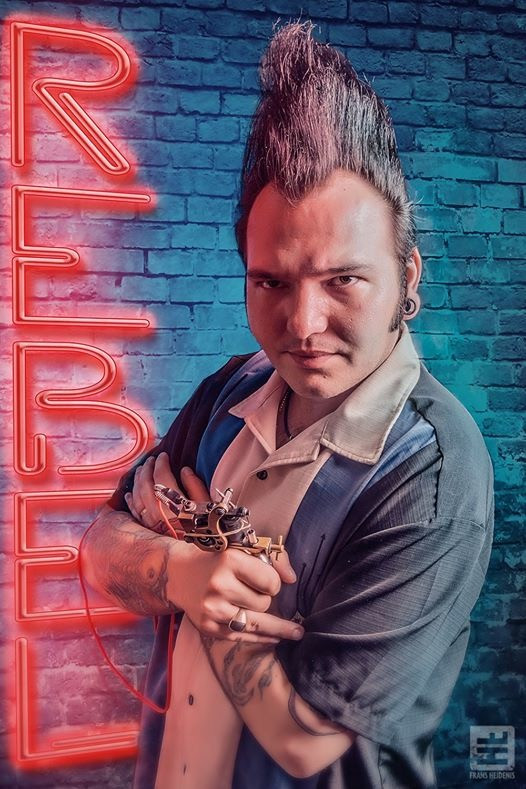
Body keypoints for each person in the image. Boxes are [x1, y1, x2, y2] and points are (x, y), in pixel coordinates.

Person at [82, 22, 494, 789]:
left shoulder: (434, 469)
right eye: (271, 282)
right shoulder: (229, 389)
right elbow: (99, 545)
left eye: (343, 281)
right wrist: (182, 569)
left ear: (408, 277)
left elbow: (305, 739)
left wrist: (200, 574)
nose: (302, 326)